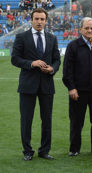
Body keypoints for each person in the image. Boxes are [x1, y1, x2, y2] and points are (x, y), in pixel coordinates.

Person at [11, 8, 61, 161]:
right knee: (26, 119)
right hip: (27, 85)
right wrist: (32, 63)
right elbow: (15, 59)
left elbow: (57, 60)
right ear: (31, 20)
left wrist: (52, 68)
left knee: (47, 120)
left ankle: (44, 151)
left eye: (42, 19)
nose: (39, 22)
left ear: (46, 21)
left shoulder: (52, 38)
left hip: (46, 85)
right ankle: (27, 151)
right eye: (37, 19)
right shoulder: (21, 37)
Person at [62, 17, 92, 156]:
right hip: (78, 92)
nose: (89, 30)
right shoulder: (73, 46)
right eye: (87, 28)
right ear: (80, 29)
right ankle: (74, 149)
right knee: (77, 122)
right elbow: (67, 70)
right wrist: (71, 88)